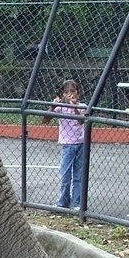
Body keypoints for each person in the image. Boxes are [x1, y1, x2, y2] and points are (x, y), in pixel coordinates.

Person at [44, 79, 85, 210]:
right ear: (62, 95)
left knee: (79, 175)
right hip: (68, 145)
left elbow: (81, 121)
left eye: (72, 91)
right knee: (65, 174)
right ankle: (63, 202)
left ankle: (77, 203)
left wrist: (75, 108)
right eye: (66, 92)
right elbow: (45, 120)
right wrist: (52, 106)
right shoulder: (60, 107)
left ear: (78, 93)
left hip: (80, 144)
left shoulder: (82, 106)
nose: (70, 95)